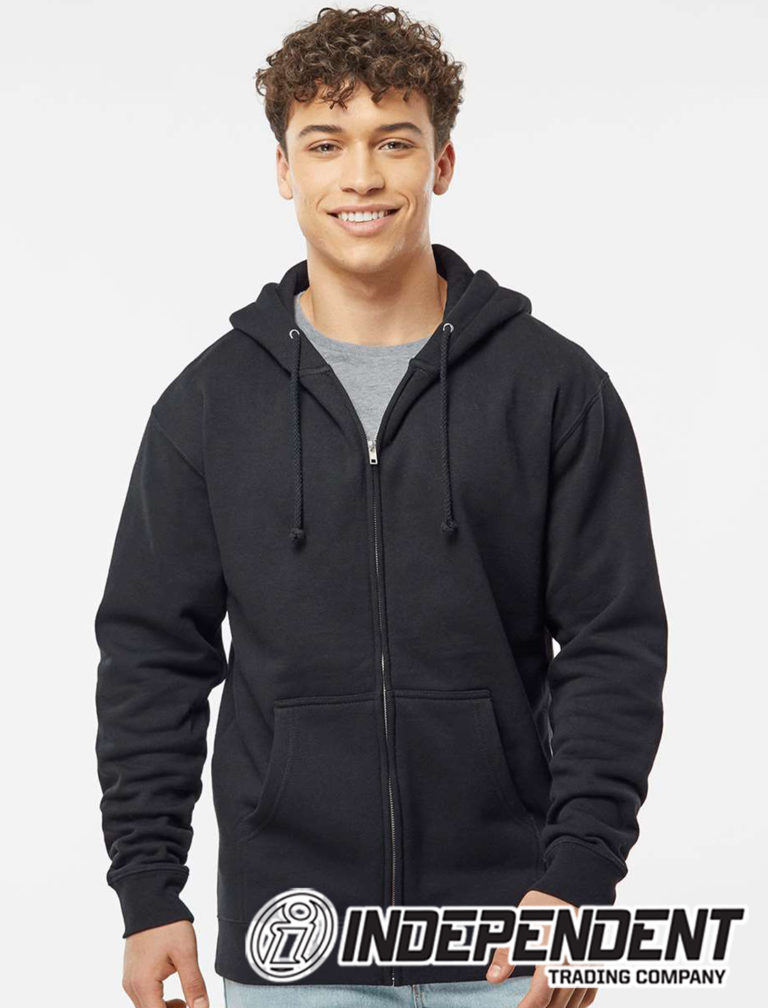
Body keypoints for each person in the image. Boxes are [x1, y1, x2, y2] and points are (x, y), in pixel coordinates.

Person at [94, 6, 668, 1008]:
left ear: (441, 163)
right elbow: (152, 655)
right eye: (326, 144)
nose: (360, 176)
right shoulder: (209, 406)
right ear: (284, 170)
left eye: (393, 142)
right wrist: (149, 891)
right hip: (292, 940)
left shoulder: (552, 390)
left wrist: (580, 876)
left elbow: (613, 645)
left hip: (509, 933)